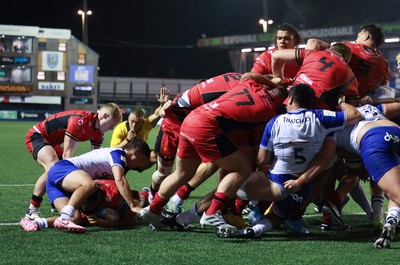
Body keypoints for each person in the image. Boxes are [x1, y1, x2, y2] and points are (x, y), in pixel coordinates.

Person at [140, 75, 288, 233]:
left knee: (181, 174)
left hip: (190, 120)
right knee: (242, 169)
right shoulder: (268, 112)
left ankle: (153, 209)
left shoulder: (247, 83)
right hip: (204, 125)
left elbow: (249, 76)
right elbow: (260, 155)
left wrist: (270, 82)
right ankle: (212, 213)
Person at [217, 84, 362, 238]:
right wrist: (340, 102)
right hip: (302, 187)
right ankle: (257, 228)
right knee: (280, 214)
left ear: (291, 98)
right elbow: (355, 114)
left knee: (230, 176)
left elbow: (262, 159)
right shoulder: (321, 117)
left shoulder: (275, 121)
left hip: (273, 184)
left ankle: (212, 211)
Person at [19, 139, 151, 233]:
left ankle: (34, 222)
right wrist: (133, 206)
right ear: (136, 152)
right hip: (63, 169)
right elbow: (120, 179)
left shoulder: (118, 159)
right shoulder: (118, 155)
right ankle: (65, 217)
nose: (141, 164)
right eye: (143, 159)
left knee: (76, 219)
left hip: (56, 184)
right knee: (90, 185)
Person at [150, 73, 243, 204]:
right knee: (162, 174)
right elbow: (163, 113)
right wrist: (163, 106)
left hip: (192, 134)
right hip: (171, 133)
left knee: (204, 165)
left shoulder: (214, 103)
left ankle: (176, 199)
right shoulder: (187, 99)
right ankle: (151, 196)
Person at [24, 103, 122, 220]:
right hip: (38, 135)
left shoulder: (99, 133)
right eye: (112, 124)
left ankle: (56, 204)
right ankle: (32, 209)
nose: (112, 128)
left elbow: (96, 160)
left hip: (54, 143)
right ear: (105, 116)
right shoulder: (80, 121)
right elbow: (67, 155)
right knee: (55, 168)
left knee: (64, 170)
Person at [329, 102, 400, 248]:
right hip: (395, 131)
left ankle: (332, 202)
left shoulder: (330, 121)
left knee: (397, 192)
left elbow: (327, 158)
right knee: (395, 189)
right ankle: (391, 220)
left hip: (373, 139)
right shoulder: (369, 107)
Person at [272, 42, 359, 110]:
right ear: (347, 60)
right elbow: (353, 104)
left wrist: (278, 78)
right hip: (317, 113)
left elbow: (276, 55)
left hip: (290, 103)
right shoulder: (350, 76)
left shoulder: (312, 53)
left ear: (329, 50)